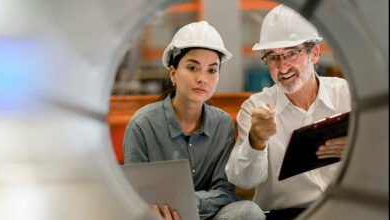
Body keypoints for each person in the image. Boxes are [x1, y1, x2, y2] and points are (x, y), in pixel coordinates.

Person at [123, 21, 265, 220]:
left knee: (250, 212)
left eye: (212, 70)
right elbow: (134, 195)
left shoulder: (222, 124)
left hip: (211, 216)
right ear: (173, 73)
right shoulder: (142, 126)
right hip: (162, 217)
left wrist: (188, 202)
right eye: (192, 67)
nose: (202, 79)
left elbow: (225, 192)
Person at [225, 4, 351, 219]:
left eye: (291, 53)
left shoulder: (346, 96)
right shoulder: (256, 107)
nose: (282, 68)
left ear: (315, 54)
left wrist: (360, 150)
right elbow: (244, 180)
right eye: (273, 57)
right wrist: (256, 141)